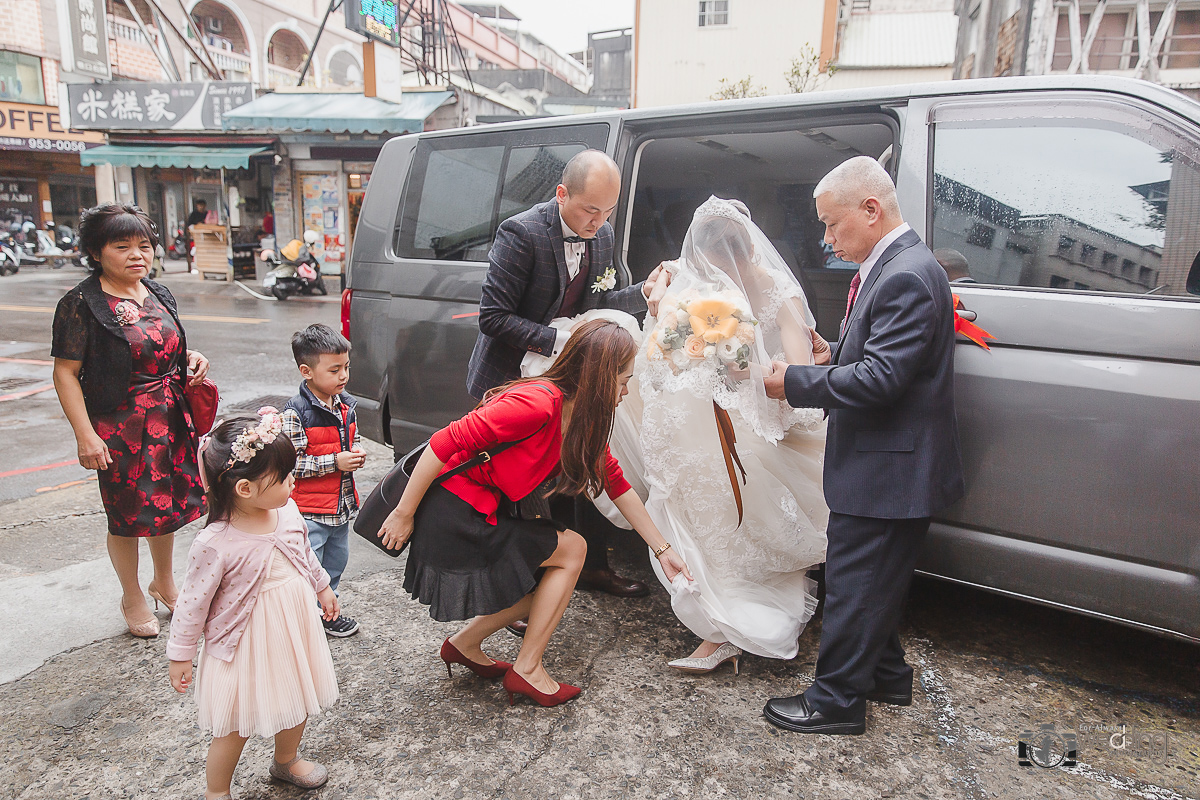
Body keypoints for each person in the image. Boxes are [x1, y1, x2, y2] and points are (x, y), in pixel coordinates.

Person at [378, 319, 692, 707]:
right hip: (456, 511)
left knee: (546, 578)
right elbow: (445, 441)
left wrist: (664, 552)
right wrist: (404, 513)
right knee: (572, 550)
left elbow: (616, 483)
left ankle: (466, 645)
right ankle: (526, 669)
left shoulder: (583, 418)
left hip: (486, 507)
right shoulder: (537, 403)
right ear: (598, 377)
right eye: (624, 381)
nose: (627, 391)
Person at [762, 156, 965, 735]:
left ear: (871, 210)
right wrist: (832, 354)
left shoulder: (903, 273)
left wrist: (795, 382)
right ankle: (885, 675)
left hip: (888, 469)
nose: (826, 239)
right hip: (892, 462)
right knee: (875, 580)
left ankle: (836, 702)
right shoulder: (899, 264)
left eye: (832, 224)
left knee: (853, 584)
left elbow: (881, 380)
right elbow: (877, 357)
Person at [603, 196, 829, 674]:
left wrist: (743, 377)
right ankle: (716, 628)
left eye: (731, 258)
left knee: (745, 527)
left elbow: (797, 380)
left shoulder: (777, 293)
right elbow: (662, 355)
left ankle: (738, 626)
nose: (722, 270)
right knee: (696, 520)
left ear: (750, 252)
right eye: (713, 260)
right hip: (699, 430)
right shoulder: (693, 286)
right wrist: (659, 307)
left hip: (760, 424)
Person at [466, 149, 674, 600]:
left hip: (568, 381)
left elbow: (599, 303)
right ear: (562, 194)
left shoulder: (602, 236)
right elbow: (493, 318)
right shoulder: (521, 233)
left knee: (578, 471)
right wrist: (568, 342)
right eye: (589, 209)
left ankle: (591, 568)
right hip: (512, 380)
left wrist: (645, 289)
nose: (598, 221)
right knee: (517, 489)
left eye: (608, 211)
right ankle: (512, 593)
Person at [51, 203, 209, 639]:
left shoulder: (158, 293)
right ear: (96, 252)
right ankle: (132, 594)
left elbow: (169, 349)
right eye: (122, 246)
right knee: (125, 515)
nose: (137, 254)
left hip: (169, 417)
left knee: (168, 504)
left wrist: (192, 358)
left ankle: (165, 582)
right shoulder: (81, 303)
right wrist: (85, 434)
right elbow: (65, 373)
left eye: (144, 245)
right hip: (119, 425)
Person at [168, 412, 340, 799]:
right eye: (283, 477)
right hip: (244, 641)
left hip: (292, 624)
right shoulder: (216, 542)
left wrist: (322, 587)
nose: (293, 481)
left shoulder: (288, 512)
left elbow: (305, 556)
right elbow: (192, 605)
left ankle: (286, 759)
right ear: (244, 488)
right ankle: (217, 790)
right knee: (234, 722)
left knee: (298, 695)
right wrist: (180, 654)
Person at [281, 324, 366, 638]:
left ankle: (326, 613)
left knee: (335, 564)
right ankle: (304, 618)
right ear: (307, 371)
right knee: (308, 568)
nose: (343, 376)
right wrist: (336, 462)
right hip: (309, 511)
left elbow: (342, 446)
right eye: (334, 370)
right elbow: (289, 465)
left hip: (339, 506)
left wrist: (354, 454)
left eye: (346, 367)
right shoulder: (295, 413)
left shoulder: (345, 405)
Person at [185, 200, 208, 273]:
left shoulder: (207, 214)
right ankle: (196, 267)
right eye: (200, 205)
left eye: (203, 206)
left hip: (206, 237)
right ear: (197, 206)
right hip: (196, 237)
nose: (201, 207)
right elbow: (189, 225)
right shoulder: (194, 214)